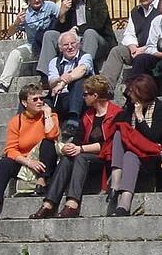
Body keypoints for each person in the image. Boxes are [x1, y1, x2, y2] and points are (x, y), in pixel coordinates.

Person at [30, 75, 122, 219]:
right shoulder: (88, 115)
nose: (82, 97)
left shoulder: (116, 114)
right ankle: (48, 204)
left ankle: (72, 203)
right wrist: (70, 146)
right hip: (85, 155)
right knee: (68, 158)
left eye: (85, 94)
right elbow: (79, 139)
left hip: (104, 158)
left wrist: (81, 149)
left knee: (80, 157)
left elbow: (109, 145)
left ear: (95, 95)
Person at [0, 84, 59, 219]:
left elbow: (52, 135)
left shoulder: (50, 116)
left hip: (46, 161)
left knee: (47, 143)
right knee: (4, 163)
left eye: (41, 99)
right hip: (26, 161)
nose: (40, 102)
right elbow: (10, 149)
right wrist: (28, 162)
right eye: (35, 99)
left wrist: (48, 114)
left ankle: (42, 181)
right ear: (24, 103)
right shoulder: (16, 121)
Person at [107, 74, 162, 216]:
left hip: (156, 154)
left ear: (142, 94)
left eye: (133, 93)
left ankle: (124, 201)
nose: (130, 96)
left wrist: (140, 117)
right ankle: (117, 187)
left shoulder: (161, 109)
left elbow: (152, 137)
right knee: (120, 134)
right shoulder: (131, 107)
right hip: (136, 153)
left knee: (131, 153)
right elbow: (121, 128)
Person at [36, 0, 116, 82]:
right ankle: (46, 76)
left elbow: (98, 24)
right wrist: (62, 14)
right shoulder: (69, 1)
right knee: (50, 35)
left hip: (98, 41)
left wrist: (76, 29)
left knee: (89, 33)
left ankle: (83, 72)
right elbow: (59, 30)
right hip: (74, 41)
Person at [0, 0, 59, 94]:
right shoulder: (25, 13)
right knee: (15, 53)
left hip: (51, 44)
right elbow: (9, 34)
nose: (37, 0)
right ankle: (3, 84)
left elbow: (62, 19)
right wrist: (17, 22)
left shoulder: (51, 6)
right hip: (32, 46)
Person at [100, 0, 162, 88]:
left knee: (141, 58)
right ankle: (105, 88)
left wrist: (143, 49)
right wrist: (133, 47)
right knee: (117, 51)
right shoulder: (135, 11)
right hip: (137, 49)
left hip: (156, 51)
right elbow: (129, 33)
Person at [47, 30, 95, 139]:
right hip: (62, 99)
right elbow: (51, 82)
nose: (70, 47)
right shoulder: (54, 61)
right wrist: (59, 78)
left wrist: (63, 83)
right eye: (66, 45)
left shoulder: (86, 56)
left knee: (79, 82)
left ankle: (73, 120)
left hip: (83, 99)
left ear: (78, 44)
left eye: (73, 43)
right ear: (60, 48)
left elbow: (82, 70)